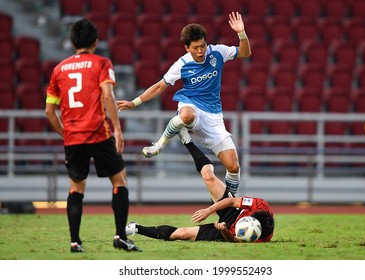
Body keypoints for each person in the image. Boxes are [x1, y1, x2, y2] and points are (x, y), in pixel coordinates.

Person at [117, 12, 251, 195]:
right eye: (195, 48)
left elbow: (245, 52)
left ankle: (229, 205)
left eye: (203, 46)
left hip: (213, 116)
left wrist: (241, 33)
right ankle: (159, 145)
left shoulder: (218, 52)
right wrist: (134, 103)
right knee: (187, 115)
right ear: (187, 48)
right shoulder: (181, 64)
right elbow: (159, 87)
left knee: (234, 166)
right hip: (191, 104)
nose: (201, 51)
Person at [45, 18, 141, 252]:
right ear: (96, 42)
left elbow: (49, 111)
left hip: (73, 137)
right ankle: (120, 237)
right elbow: (108, 96)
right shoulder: (101, 63)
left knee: (76, 188)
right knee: (119, 181)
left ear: (72, 42)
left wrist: (65, 134)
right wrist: (117, 129)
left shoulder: (59, 69)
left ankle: (75, 242)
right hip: (98, 132)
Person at [125, 137, 275, 243]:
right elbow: (231, 201)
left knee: (182, 234)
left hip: (225, 231)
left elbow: (235, 240)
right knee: (208, 176)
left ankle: (135, 228)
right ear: (253, 214)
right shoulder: (259, 204)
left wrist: (223, 230)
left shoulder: (259, 238)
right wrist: (208, 211)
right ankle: (186, 140)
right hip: (233, 213)